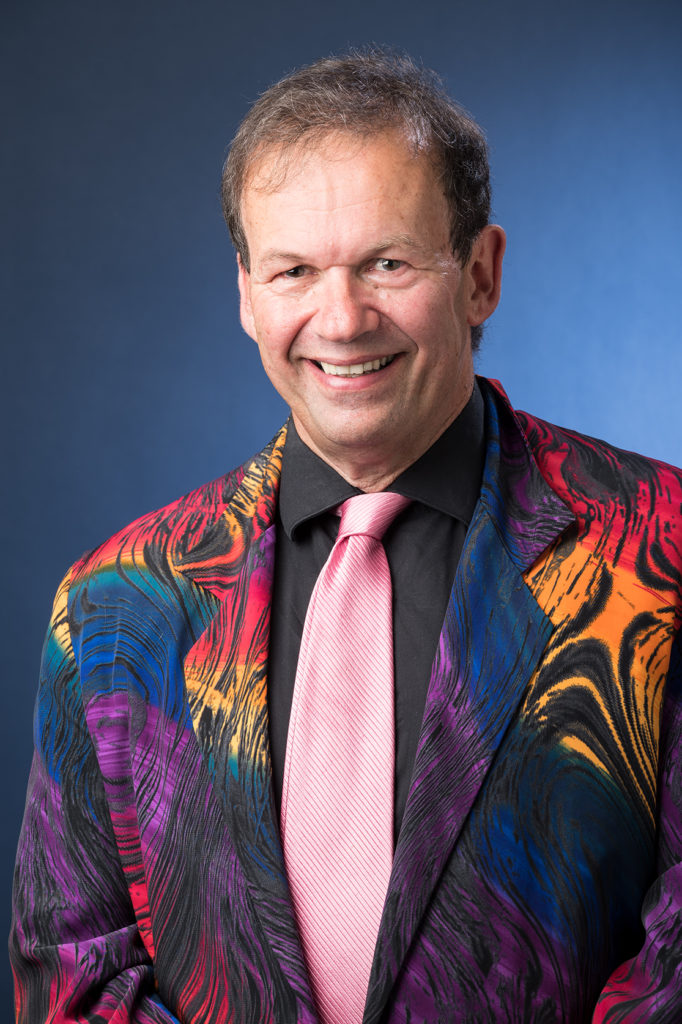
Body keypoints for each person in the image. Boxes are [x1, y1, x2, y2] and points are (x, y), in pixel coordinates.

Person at [10, 50, 682, 1024]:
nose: (341, 318)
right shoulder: (118, 602)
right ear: (247, 292)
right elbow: (73, 970)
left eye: (387, 263)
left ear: (480, 273)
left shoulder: (656, 549)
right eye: (293, 270)